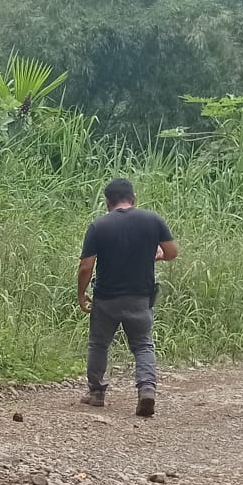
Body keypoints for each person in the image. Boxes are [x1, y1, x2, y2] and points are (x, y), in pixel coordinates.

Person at [77, 177, 178, 418]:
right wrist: (157, 255)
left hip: (106, 299)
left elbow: (86, 267)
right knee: (143, 345)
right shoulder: (153, 220)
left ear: (107, 202)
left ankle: (96, 393)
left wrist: (81, 293)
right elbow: (172, 253)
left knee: (99, 344)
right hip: (140, 298)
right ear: (133, 199)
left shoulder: (99, 226)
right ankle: (146, 390)